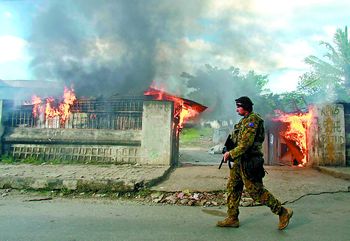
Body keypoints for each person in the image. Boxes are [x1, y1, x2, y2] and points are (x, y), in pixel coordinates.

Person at [216, 96, 293, 230]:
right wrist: (228, 149)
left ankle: (282, 212)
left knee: (256, 192)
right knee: (233, 188)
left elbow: (246, 144)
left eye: (239, 106)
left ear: (245, 107)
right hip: (240, 162)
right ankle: (232, 218)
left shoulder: (253, 120)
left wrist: (230, 154)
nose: (236, 109)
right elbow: (236, 140)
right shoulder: (243, 121)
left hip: (249, 162)